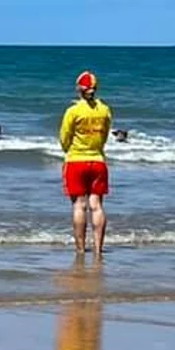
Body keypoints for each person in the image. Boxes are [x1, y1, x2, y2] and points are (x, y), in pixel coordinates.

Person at [59, 72, 113, 255]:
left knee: (79, 205)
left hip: (76, 160)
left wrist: (70, 150)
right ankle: (98, 248)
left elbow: (64, 137)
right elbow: (105, 134)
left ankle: (81, 249)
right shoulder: (104, 110)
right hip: (97, 160)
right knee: (96, 205)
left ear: (79, 89)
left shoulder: (73, 111)